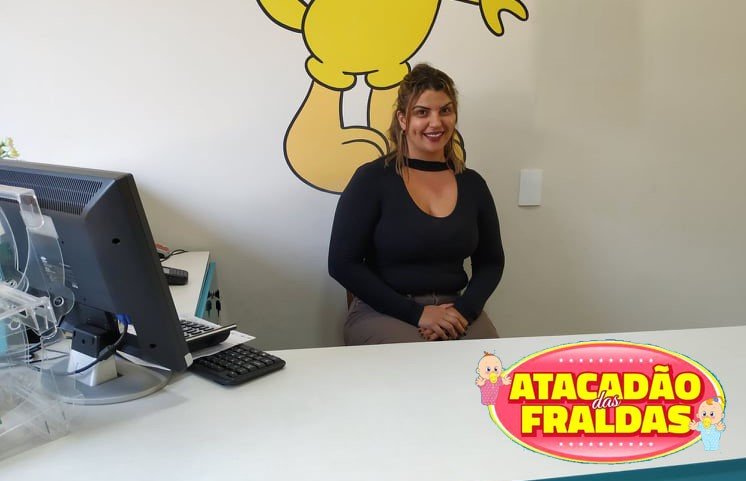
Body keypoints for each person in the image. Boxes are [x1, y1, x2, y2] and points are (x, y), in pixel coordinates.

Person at [328, 63, 505, 345]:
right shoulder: (372, 179)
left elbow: (491, 262)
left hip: (456, 311)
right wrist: (418, 314)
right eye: (422, 112)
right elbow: (342, 264)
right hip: (384, 311)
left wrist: (463, 311)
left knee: (491, 368)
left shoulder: (473, 184)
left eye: (445, 110)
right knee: (420, 366)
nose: (436, 123)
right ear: (403, 119)